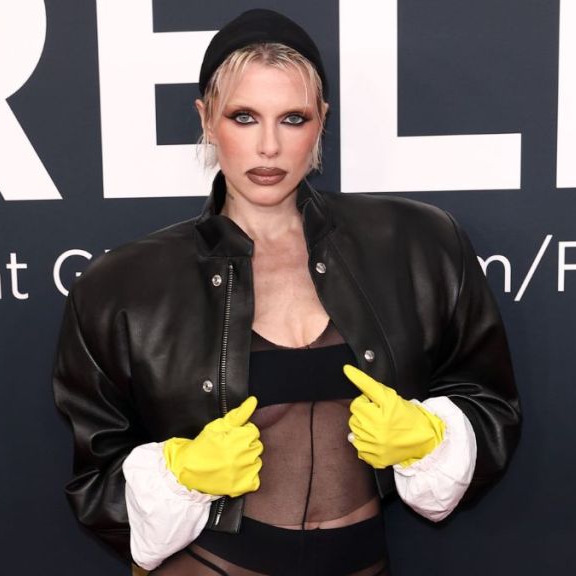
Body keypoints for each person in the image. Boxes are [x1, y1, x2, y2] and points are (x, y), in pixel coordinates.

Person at [52, 8, 520, 575]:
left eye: (292, 118)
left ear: (322, 120)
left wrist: (432, 437)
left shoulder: (420, 242)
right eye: (244, 117)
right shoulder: (122, 286)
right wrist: (184, 473)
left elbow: (491, 404)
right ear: (206, 119)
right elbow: (95, 484)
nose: (269, 146)